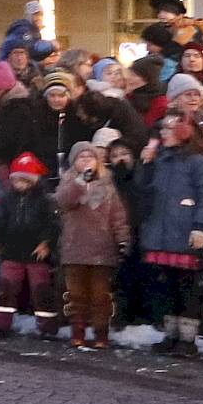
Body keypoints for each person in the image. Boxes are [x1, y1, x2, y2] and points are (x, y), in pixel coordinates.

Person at [137, 114, 203, 356]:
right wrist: (146, 164)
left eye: (169, 128)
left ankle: (187, 339)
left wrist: (201, 226)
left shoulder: (199, 161)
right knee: (166, 285)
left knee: (187, 286)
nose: (163, 133)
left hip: (186, 232)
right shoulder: (160, 159)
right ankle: (171, 334)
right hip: (162, 232)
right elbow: (143, 188)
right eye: (162, 129)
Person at [56, 141, 130, 350]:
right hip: (75, 248)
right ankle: (77, 332)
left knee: (100, 296)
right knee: (76, 295)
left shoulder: (107, 185)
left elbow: (117, 215)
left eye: (91, 157)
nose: (87, 161)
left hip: (102, 249)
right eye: (82, 157)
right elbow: (63, 201)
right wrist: (81, 181)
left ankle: (101, 334)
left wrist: (122, 239)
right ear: (74, 162)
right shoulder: (68, 181)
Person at [0, 152, 60, 336]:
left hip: (36, 251)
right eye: (16, 180)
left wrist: (46, 243)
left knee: (41, 289)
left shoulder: (44, 200)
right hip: (12, 249)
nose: (19, 184)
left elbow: (52, 224)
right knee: (5, 287)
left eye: (24, 180)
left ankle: (47, 326)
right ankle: (0, 324)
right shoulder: (6, 198)